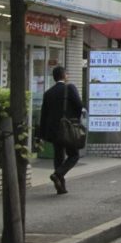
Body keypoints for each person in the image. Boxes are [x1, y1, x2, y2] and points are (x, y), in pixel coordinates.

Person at [38, 65, 85, 195]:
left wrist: (41, 134)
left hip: (53, 130)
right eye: (67, 74)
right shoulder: (70, 88)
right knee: (74, 155)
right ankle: (58, 174)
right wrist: (75, 119)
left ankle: (61, 187)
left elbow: (44, 114)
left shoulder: (48, 93)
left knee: (58, 156)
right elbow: (79, 105)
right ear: (64, 75)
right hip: (67, 128)